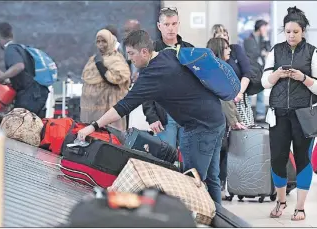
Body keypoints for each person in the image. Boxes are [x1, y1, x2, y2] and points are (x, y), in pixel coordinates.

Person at [77, 30, 225, 204]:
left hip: (200, 128)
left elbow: (123, 106)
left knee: (192, 182)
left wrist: (93, 126)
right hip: (216, 116)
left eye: (132, 54)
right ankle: (220, 218)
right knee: (212, 177)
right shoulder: (169, 54)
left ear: (144, 52)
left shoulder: (152, 75)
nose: (130, 59)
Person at [262, 7, 317, 221]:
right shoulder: (275, 50)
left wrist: (302, 78)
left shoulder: (312, 52)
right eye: (288, 31)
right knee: (277, 160)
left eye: (295, 32)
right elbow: (264, 82)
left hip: (304, 116)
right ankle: (280, 201)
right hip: (279, 114)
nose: (291, 35)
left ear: (303, 31)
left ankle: (300, 207)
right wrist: (276, 75)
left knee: (303, 159)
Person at [142, 7, 194, 149]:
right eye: (166, 24)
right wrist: (151, 116)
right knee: (166, 159)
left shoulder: (189, 50)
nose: (171, 28)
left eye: (174, 24)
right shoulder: (151, 51)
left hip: (188, 115)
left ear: (178, 24)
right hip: (164, 115)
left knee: (189, 161)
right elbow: (144, 87)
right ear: (159, 26)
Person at [206, 37, 248, 200]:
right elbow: (225, 100)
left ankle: (217, 189)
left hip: (216, 120)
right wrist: (234, 121)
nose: (229, 51)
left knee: (218, 155)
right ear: (218, 50)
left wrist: (235, 119)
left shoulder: (212, 69)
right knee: (219, 154)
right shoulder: (218, 71)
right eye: (225, 48)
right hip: (217, 121)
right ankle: (216, 192)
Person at [0, 22, 49, 118]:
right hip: (38, 95)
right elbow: (24, 74)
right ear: (12, 35)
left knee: (19, 128)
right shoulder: (20, 48)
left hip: (29, 96)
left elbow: (19, 66)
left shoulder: (10, 50)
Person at [80, 29, 131, 131]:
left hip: (109, 108)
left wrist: (101, 66)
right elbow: (86, 77)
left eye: (104, 41)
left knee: (110, 138)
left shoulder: (116, 59)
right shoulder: (93, 59)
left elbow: (117, 78)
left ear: (110, 41)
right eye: (98, 41)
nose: (101, 44)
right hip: (91, 109)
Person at [212, 24, 255, 127]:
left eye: (225, 34)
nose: (223, 37)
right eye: (219, 35)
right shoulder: (211, 57)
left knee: (243, 128)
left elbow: (247, 72)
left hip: (238, 96)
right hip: (221, 101)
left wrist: (239, 93)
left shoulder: (235, 49)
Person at [244, 19, 271, 122]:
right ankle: (248, 113)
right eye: (264, 27)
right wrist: (262, 53)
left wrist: (265, 37)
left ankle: (260, 114)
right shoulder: (248, 39)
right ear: (259, 27)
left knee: (261, 91)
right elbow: (251, 53)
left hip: (261, 69)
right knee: (249, 91)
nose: (265, 29)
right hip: (251, 69)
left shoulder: (262, 39)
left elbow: (269, 50)